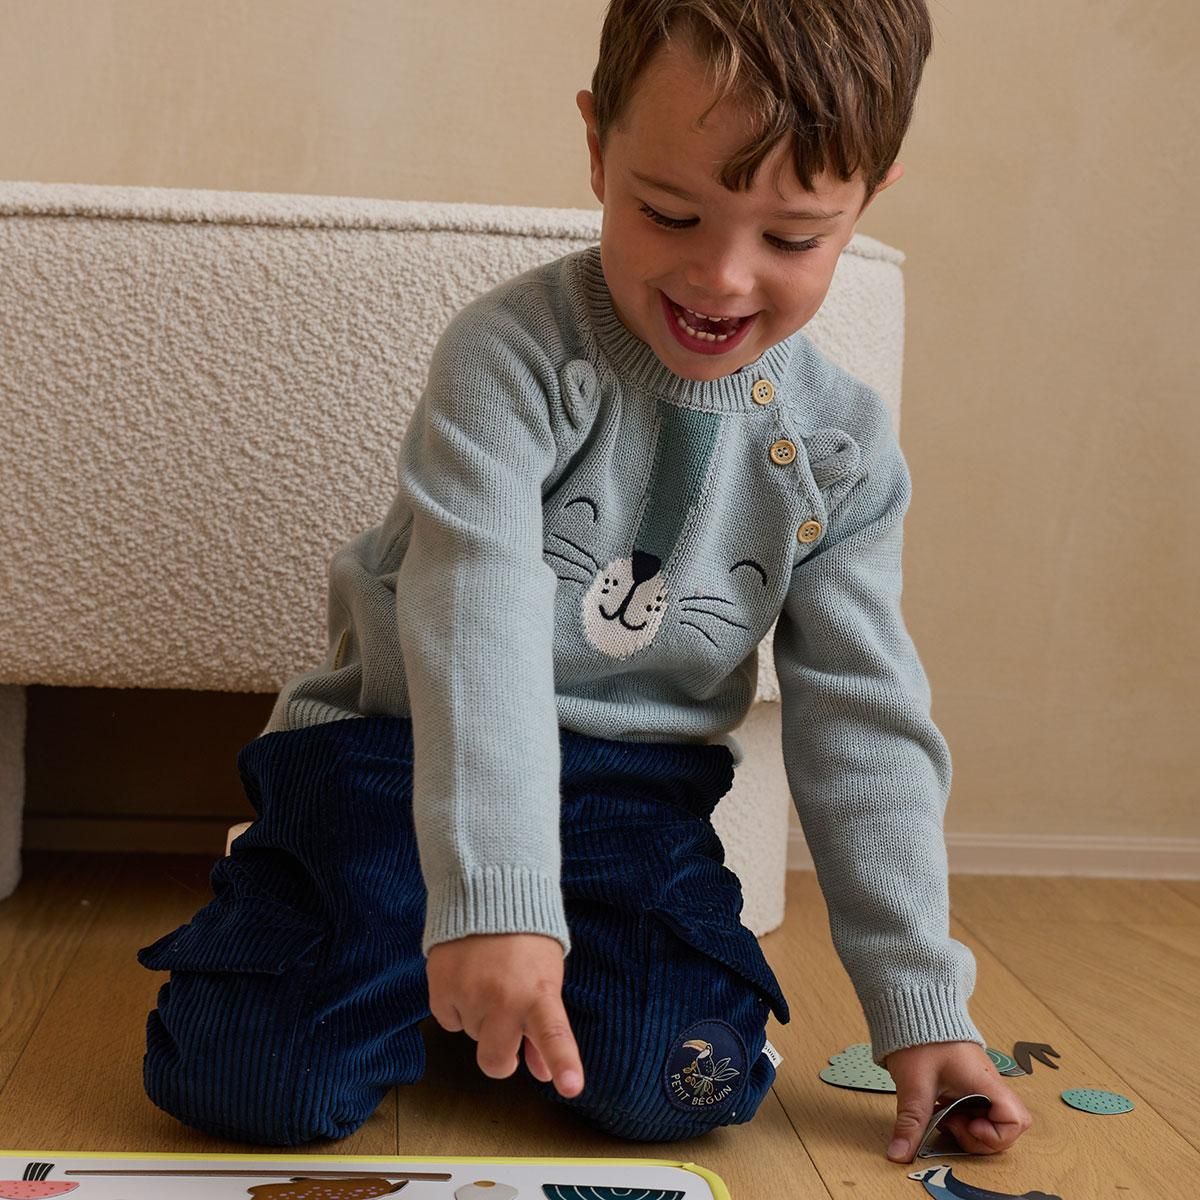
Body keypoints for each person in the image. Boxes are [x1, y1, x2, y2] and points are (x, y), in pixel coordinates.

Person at [136, 0, 1033, 1163]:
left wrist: (921, 1007)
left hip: (627, 796)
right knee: (245, 1083)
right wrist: (499, 896)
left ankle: (479, 975)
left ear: (866, 203)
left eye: (795, 239)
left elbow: (863, 719)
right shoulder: (509, 356)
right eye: (669, 212)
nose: (721, 276)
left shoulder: (843, 451)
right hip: (391, 752)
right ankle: (392, 928)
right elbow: (478, 619)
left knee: (685, 1088)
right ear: (598, 147)